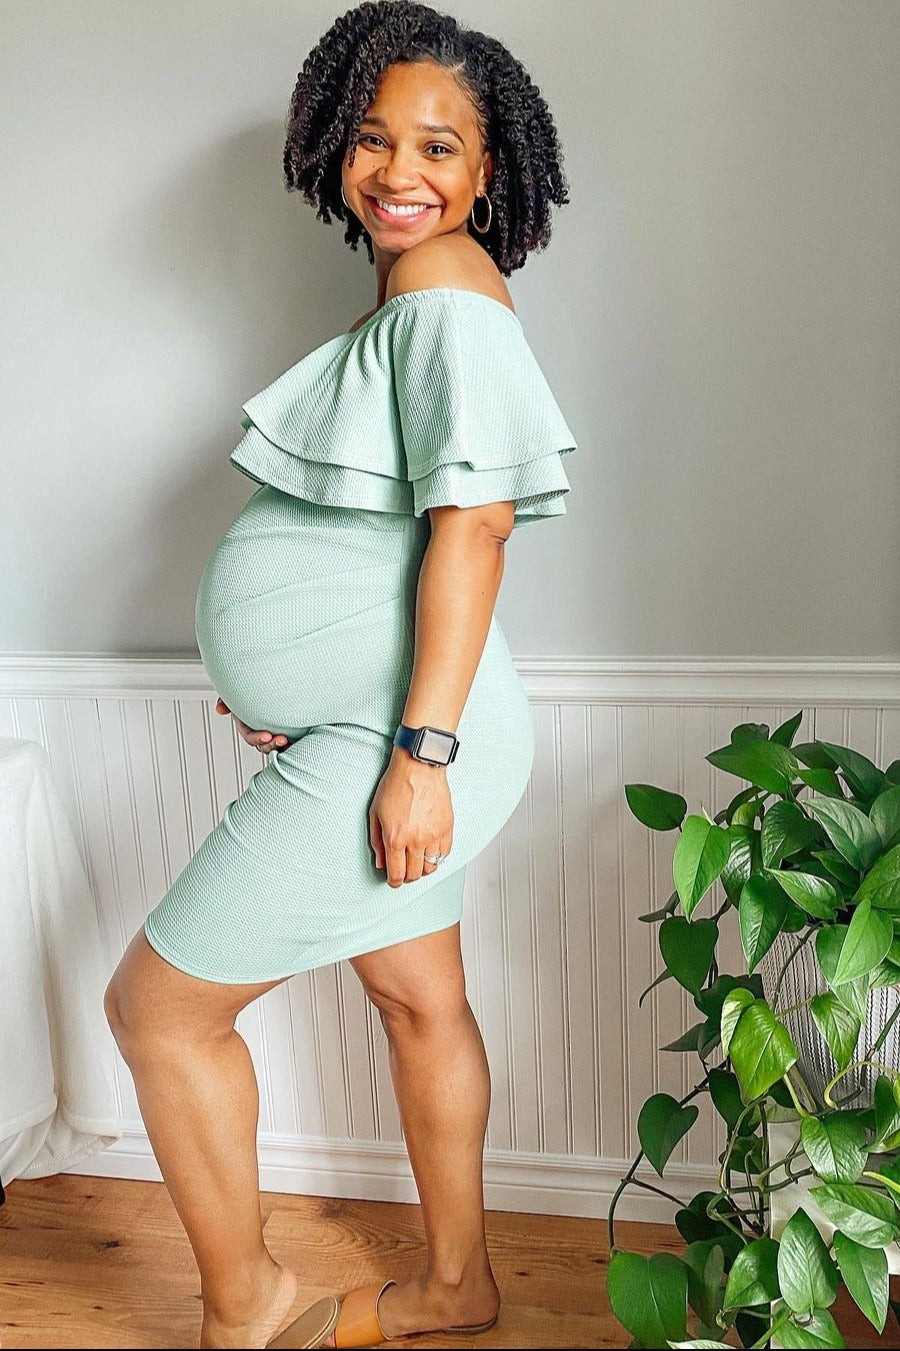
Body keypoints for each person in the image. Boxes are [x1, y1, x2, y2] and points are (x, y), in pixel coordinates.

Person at [103, 2, 578, 1346]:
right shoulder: (423, 291)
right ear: (333, 144)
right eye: (374, 138)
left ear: (491, 169)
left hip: (404, 743)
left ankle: (246, 1306)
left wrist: (418, 756)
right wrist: (297, 675)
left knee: (158, 1013)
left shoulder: (446, 293)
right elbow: (396, 539)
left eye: (438, 144)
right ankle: (456, 1287)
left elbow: (475, 528)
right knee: (419, 1000)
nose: (398, 169)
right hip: (374, 723)